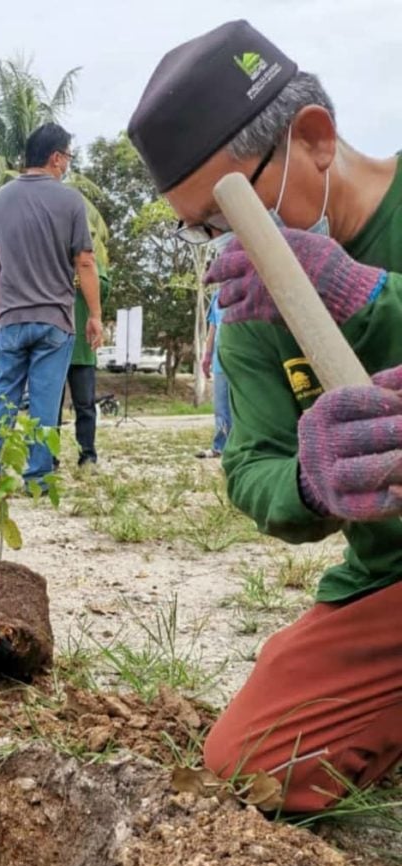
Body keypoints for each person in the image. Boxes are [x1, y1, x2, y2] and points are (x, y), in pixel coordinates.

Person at [128, 19, 402, 811]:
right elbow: (252, 465)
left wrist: (371, 300)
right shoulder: (252, 303)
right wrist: (309, 486)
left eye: (235, 210)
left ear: (314, 138)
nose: (227, 242)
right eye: (206, 228)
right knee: (255, 761)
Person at [0, 122, 104, 489]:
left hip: (13, 319)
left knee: (3, 397)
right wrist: (95, 315)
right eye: (66, 156)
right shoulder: (69, 201)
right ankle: (37, 477)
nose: (66, 164)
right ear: (55, 157)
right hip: (55, 320)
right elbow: (84, 262)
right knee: (45, 403)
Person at [57, 261, 111, 467]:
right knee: (50, 407)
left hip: (82, 349)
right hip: (53, 349)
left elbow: (104, 290)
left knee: (85, 405)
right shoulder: (51, 257)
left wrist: (83, 273)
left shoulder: (89, 261)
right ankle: (49, 457)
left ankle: (87, 454)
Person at [196, 292, 231, 459]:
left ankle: (242, 448)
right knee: (221, 408)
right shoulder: (218, 296)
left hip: (243, 362)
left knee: (243, 407)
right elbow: (213, 327)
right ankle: (219, 447)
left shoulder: (244, 289)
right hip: (220, 363)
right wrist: (207, 356)